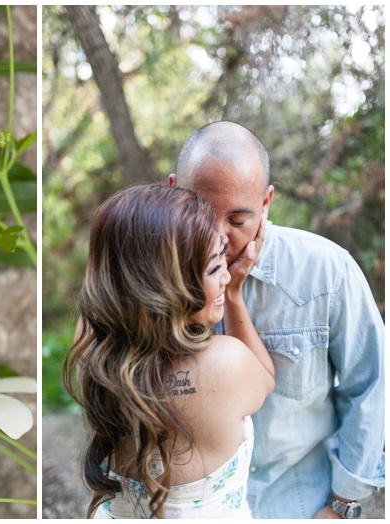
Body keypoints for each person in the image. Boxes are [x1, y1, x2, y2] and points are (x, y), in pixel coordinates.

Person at [169, 120, 385, 519]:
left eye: (238, 221)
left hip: (299, 505)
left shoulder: (327, 272)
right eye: (200, 211)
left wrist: (341, 506)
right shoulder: (146, 280)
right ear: (172, 191)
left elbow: (372, 386)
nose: (218, 238)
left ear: (266, 202)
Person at [63, 183, 275, 518]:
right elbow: (265, 378)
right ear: (165, 286)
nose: (224, 276)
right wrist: (234, 296)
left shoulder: (91, 342)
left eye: (222, 254)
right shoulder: (227, 364)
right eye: (213, 267)